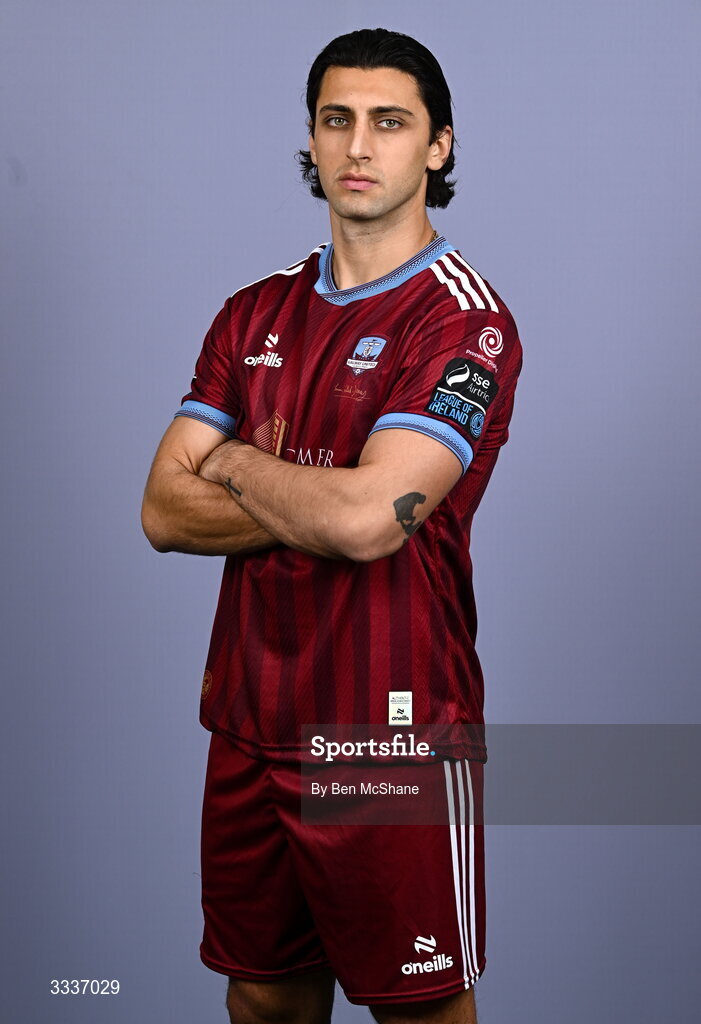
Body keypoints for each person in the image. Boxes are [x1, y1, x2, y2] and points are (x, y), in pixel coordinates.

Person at [142, 26, 522, 1024]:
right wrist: (310, 492)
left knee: (420, 1010)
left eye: (388, 122)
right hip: (248, 723)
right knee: (265, 998)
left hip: (383, 739)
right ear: (310, 140)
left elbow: (366, 522)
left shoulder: (460, 322)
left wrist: (224, 460)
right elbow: (158, 510)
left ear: (437, 146)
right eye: (336, 120)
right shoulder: (251, 314)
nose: (359, 145)